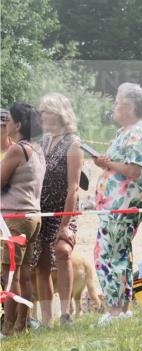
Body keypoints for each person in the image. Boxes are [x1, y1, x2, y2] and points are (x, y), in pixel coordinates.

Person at [93, 84, 142, 323]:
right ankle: (121, 309)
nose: (114, 106)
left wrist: (107, 164)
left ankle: (116, 311)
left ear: (130, 106)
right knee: (118, 256)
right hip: (115, 206)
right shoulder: (127, 131)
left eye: (118, 102)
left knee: (109, 257)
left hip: (122, 206)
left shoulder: (137, 133)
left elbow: (133, 169)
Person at [32, 93, 84, 326]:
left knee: (62, 252)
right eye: (41, 111)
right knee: (42, 262)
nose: (42, 116)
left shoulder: (73, 143)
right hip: (41, 208)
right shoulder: (42, 141)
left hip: (63, 208)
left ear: (59, 114)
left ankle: (65, 314)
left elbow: (73, 188)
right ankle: (46, 318)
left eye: (46, 111)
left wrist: (65, 224)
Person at [0, 103, 45, 335]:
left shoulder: (16, 150)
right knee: (25, 275)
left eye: (8, 120)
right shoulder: (36, 149)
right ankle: (21, 324)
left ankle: (7, 328)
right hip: (33, 217)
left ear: (18, 125)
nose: (5, 124)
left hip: (15, 218)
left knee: (10, 275)